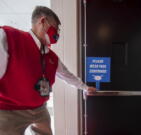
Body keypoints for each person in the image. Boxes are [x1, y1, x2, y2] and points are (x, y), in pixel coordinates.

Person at [0, 6, 96, 135]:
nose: (57, 33)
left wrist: (85, 87)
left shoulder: (51, 57)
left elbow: (67, 75)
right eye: (56, 28)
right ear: (43, 21)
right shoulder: (9, 37)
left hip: (39, 110)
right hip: (9, 111)